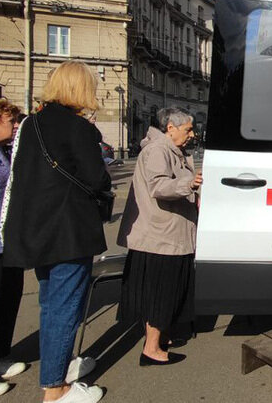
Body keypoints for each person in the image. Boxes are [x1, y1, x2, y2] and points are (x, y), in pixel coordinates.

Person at [2, 61, 110, 403]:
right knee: (65, 307)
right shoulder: (78, 128)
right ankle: (55, 389)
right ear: (80, 89)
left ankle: (60, 366)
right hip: (69, 230)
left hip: (37, 229)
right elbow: (96, 179)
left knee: (51, 304)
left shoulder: (29, 124)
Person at [117, 107, 202, 366]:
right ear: (170, 128)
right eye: (188, 129)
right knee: (160, 294)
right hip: (161, 238)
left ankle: (160, 338)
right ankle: (151, 348)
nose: (192, 134)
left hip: (169, 236)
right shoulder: (157, 150)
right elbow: (158, 185)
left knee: (167, 292)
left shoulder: (170, 149)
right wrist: (190, 184)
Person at [0, 100, 24, 398]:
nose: (15, 125)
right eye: (10, 120)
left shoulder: (5, 151)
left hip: (7, 242)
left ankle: (0, 354)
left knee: (8, 299)